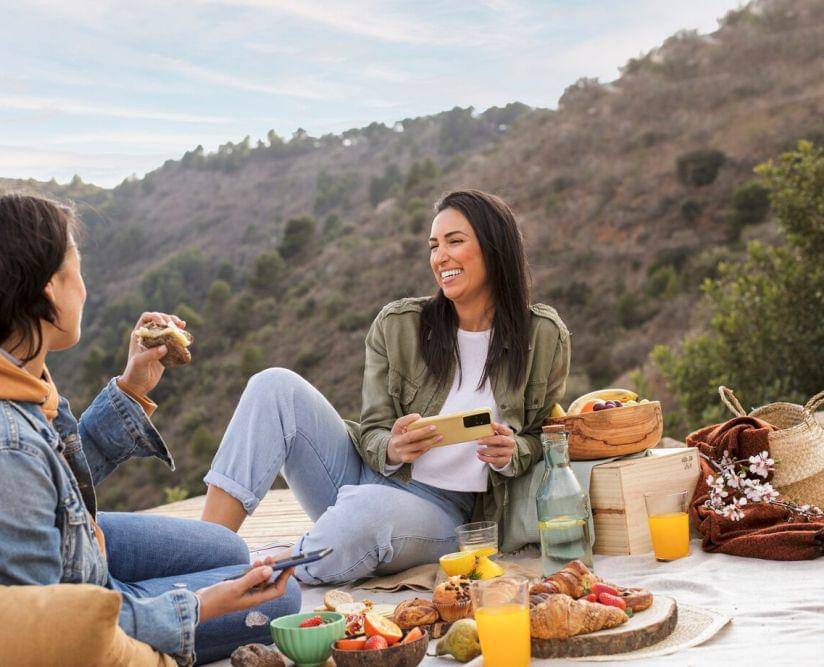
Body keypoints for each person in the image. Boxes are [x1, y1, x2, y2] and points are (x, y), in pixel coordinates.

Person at [0, 192, 300, 664]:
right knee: (282, 598)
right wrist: (198, 605)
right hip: (57, 612)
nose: (85, 286)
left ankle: (148, 593)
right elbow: (49, 629)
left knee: (225, 547)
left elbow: (51, 484)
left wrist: (131, 387)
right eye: (76, 268)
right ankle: (145, 597)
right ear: (47, 290)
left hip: (67, 554)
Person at [201, 189, 570, 584]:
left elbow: (541, 437)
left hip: (444, 511)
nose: (440, 256)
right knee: (273, 386)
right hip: (364, 473)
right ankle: (202, 555)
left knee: (367, 512)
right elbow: (374, 427)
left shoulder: (543, 337)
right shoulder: (399, 325)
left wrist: (512, 452)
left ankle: (252, 577)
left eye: (455, 241)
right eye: (433, 246)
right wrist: (392, 448)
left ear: (494, 248)